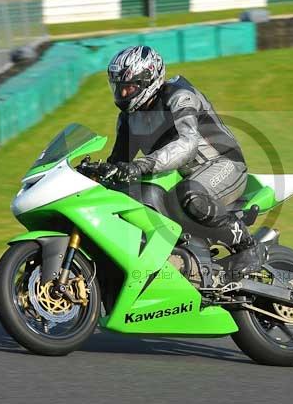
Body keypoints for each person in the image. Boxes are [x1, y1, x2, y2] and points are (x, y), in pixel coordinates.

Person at [102, 45, 265, 281]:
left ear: (148, 80)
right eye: (119, 88)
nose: (123, 94)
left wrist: (142, 165)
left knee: (189, 195)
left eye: (128, 87)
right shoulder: (128, 118)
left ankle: (248, 246)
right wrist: (94, 174)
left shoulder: (179, 96)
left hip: (224, 164)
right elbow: (118, 161)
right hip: (182, 175)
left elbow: (187, 145)